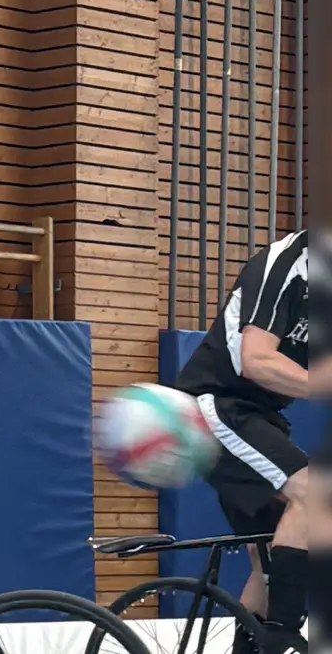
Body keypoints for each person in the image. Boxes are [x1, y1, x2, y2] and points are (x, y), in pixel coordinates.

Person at [173, 230, 310, 654]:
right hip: (216, 404)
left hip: (262, 417)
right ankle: (283, 637)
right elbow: (257, 360)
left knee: (271, 559)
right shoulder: (289, 263)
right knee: (314, 494)